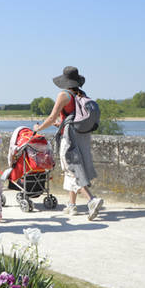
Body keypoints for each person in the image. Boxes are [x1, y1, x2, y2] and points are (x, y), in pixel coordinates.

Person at [33, 66, 104, 220]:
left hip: (69, 137)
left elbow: (52, 117)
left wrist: (38, 128)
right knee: (75, 167)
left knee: (70, 168)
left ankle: (92, 200)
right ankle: (71, 205)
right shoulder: (80, 94)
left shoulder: (64, 95)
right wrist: (62, 123)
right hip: (81, 135)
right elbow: (74, 117)